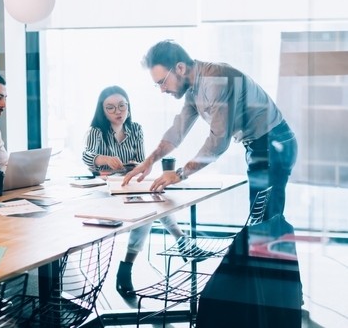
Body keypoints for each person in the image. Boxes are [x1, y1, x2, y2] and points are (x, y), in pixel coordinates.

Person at [123, 39, 298, 222]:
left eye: (162, 82)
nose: (162, 90)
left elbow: (218, 142)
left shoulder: (216, 80)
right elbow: (178, 130)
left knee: (266, 222)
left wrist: (179, 174)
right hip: (259, 145)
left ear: (180, 68)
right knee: (262, 221)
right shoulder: (192, 89)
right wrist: (149, 161)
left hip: (274, 144)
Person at [82, 85, 186, 297]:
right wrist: (102, 160)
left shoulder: (136, 129)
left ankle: (127, 267)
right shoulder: (96, 131)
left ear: (128, 107)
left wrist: (134, 165)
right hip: (106, 190)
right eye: (110, 108)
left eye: (122, 106)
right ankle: (182, 240)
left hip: (129, 184)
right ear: (103, 111)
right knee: (149, 205)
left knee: (150, 204)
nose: (118, 111)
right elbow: (87, 157)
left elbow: (141, 161)